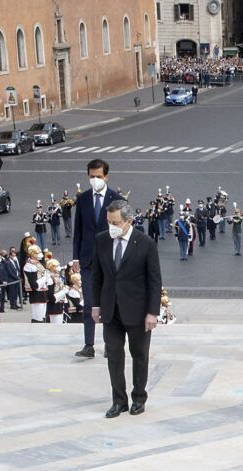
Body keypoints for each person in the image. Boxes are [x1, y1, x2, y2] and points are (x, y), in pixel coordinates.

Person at [90, 201, 162, 419]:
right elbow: (97, 275)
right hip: (111, 309)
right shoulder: (101, 240)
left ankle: (139, 397)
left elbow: (154, 281)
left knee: (139, 355)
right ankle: (118, 401)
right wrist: (95, 305)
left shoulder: (145, 242)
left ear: (129, 221)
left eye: (116, 223)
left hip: (138, 311)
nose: (111, 226)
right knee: (113, 355)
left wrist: (152, 312)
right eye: (109, 222)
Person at [72, 159, 123, 359]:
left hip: (110, 260)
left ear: (106, 177)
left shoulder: (116, 199)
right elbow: (79, 230)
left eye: (98, 177)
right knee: (89, 304)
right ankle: (88, 345)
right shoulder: (83, 199)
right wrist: (75, 257)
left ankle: (111, 345)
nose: (95, 180)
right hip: (87, 259)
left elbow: (121, 231)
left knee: (110, 304)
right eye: (92, 176)